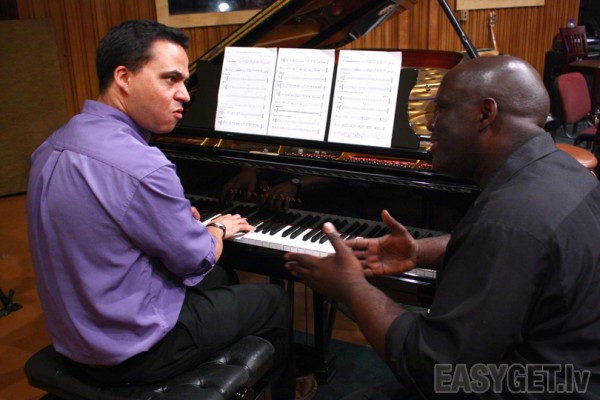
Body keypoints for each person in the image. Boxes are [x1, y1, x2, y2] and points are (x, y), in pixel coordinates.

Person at [26, 19, 316, 400]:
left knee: (221, 277)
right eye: (170, 80)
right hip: (132, 354)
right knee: (273, 301)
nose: (185, 96)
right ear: (124, 78)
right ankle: (285, 391)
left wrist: (173, 221)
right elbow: (195, 259)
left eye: (185, 81)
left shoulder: (52, 145)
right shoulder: (143, 166)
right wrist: (217, 230)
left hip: (75, 335)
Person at [284, 55, 600, 398]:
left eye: (442, 108)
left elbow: (436, 372)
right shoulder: (565, 171)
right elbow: (522, 252)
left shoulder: (509, 220)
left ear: (485, 114)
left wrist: (351, 288)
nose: (431, 124)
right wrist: (420, 251)